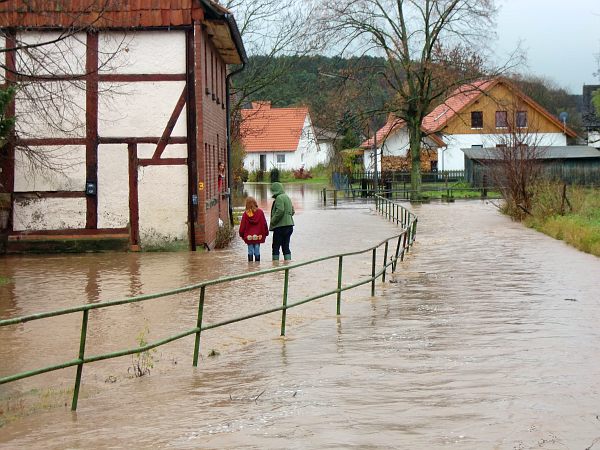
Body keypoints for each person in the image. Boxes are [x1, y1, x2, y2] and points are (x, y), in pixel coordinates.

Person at [269, 182, 295, 261]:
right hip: (289, 226)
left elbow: (280, 211)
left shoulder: (279, 198)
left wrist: (273, 221)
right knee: (286, 247)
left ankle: (275, 269)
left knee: (275, 247)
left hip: (280, 227)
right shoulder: (287, 197)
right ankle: (287, 266)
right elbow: (293, 211)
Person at [238, 196, 268, 262]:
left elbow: (242, 226)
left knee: (250, 250)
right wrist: (266, 232)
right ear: (255, 203)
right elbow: (264, 223)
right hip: (258, 236)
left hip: (249, 237)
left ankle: (251, 267)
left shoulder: (246, 214)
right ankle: (257, 267)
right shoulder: (260, 212)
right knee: (257, 250)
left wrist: (241, 234)